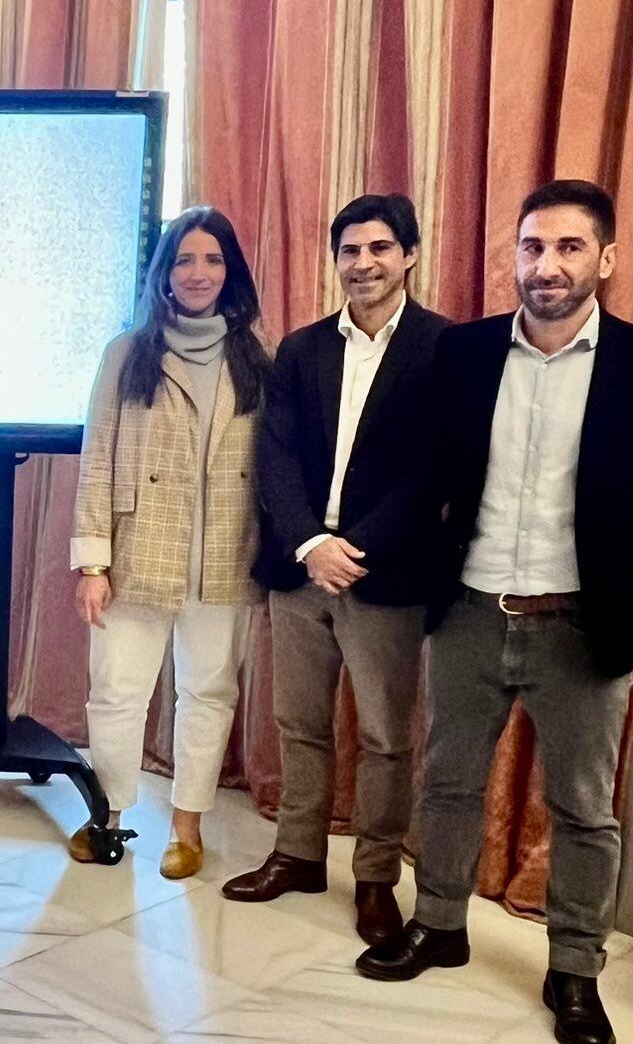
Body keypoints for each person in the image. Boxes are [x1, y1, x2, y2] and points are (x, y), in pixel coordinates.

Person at [356, 179, 633, 1044]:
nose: (547, 266)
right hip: (470, 609)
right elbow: (428, 469)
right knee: (448, 783)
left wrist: (602, 556)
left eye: (569, 247)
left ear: (607, 259)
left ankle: (575, 970)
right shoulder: (466, 353)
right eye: (533, 247)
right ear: (515, 256)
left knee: (583, 809)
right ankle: (439, 924)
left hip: (579, 621)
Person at [223, 194, 449, 943]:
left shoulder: (443, 348)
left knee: (385, 736)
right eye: (350, 251)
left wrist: (354, 548)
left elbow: (431, 470)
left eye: (380, 248)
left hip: (386, 577)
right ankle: (297, 853)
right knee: (299, 723)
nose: (363, 263)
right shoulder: (302, 348)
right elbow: (275, 454)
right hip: (300, 572)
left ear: (409, 255)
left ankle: (376, 876)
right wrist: (308, 544)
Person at [70, 206, 272, 878]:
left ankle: (187, 828)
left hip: (224, 556)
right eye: (184, 259)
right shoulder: (127, 352)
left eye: (213, 259)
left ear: (230, 272)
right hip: (138, 553)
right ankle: (108, 814)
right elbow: (97, 456)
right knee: (116, 693)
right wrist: (92, 563)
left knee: (209, 694)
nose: (198, 273)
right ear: (164, 272)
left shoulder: (257, 357)